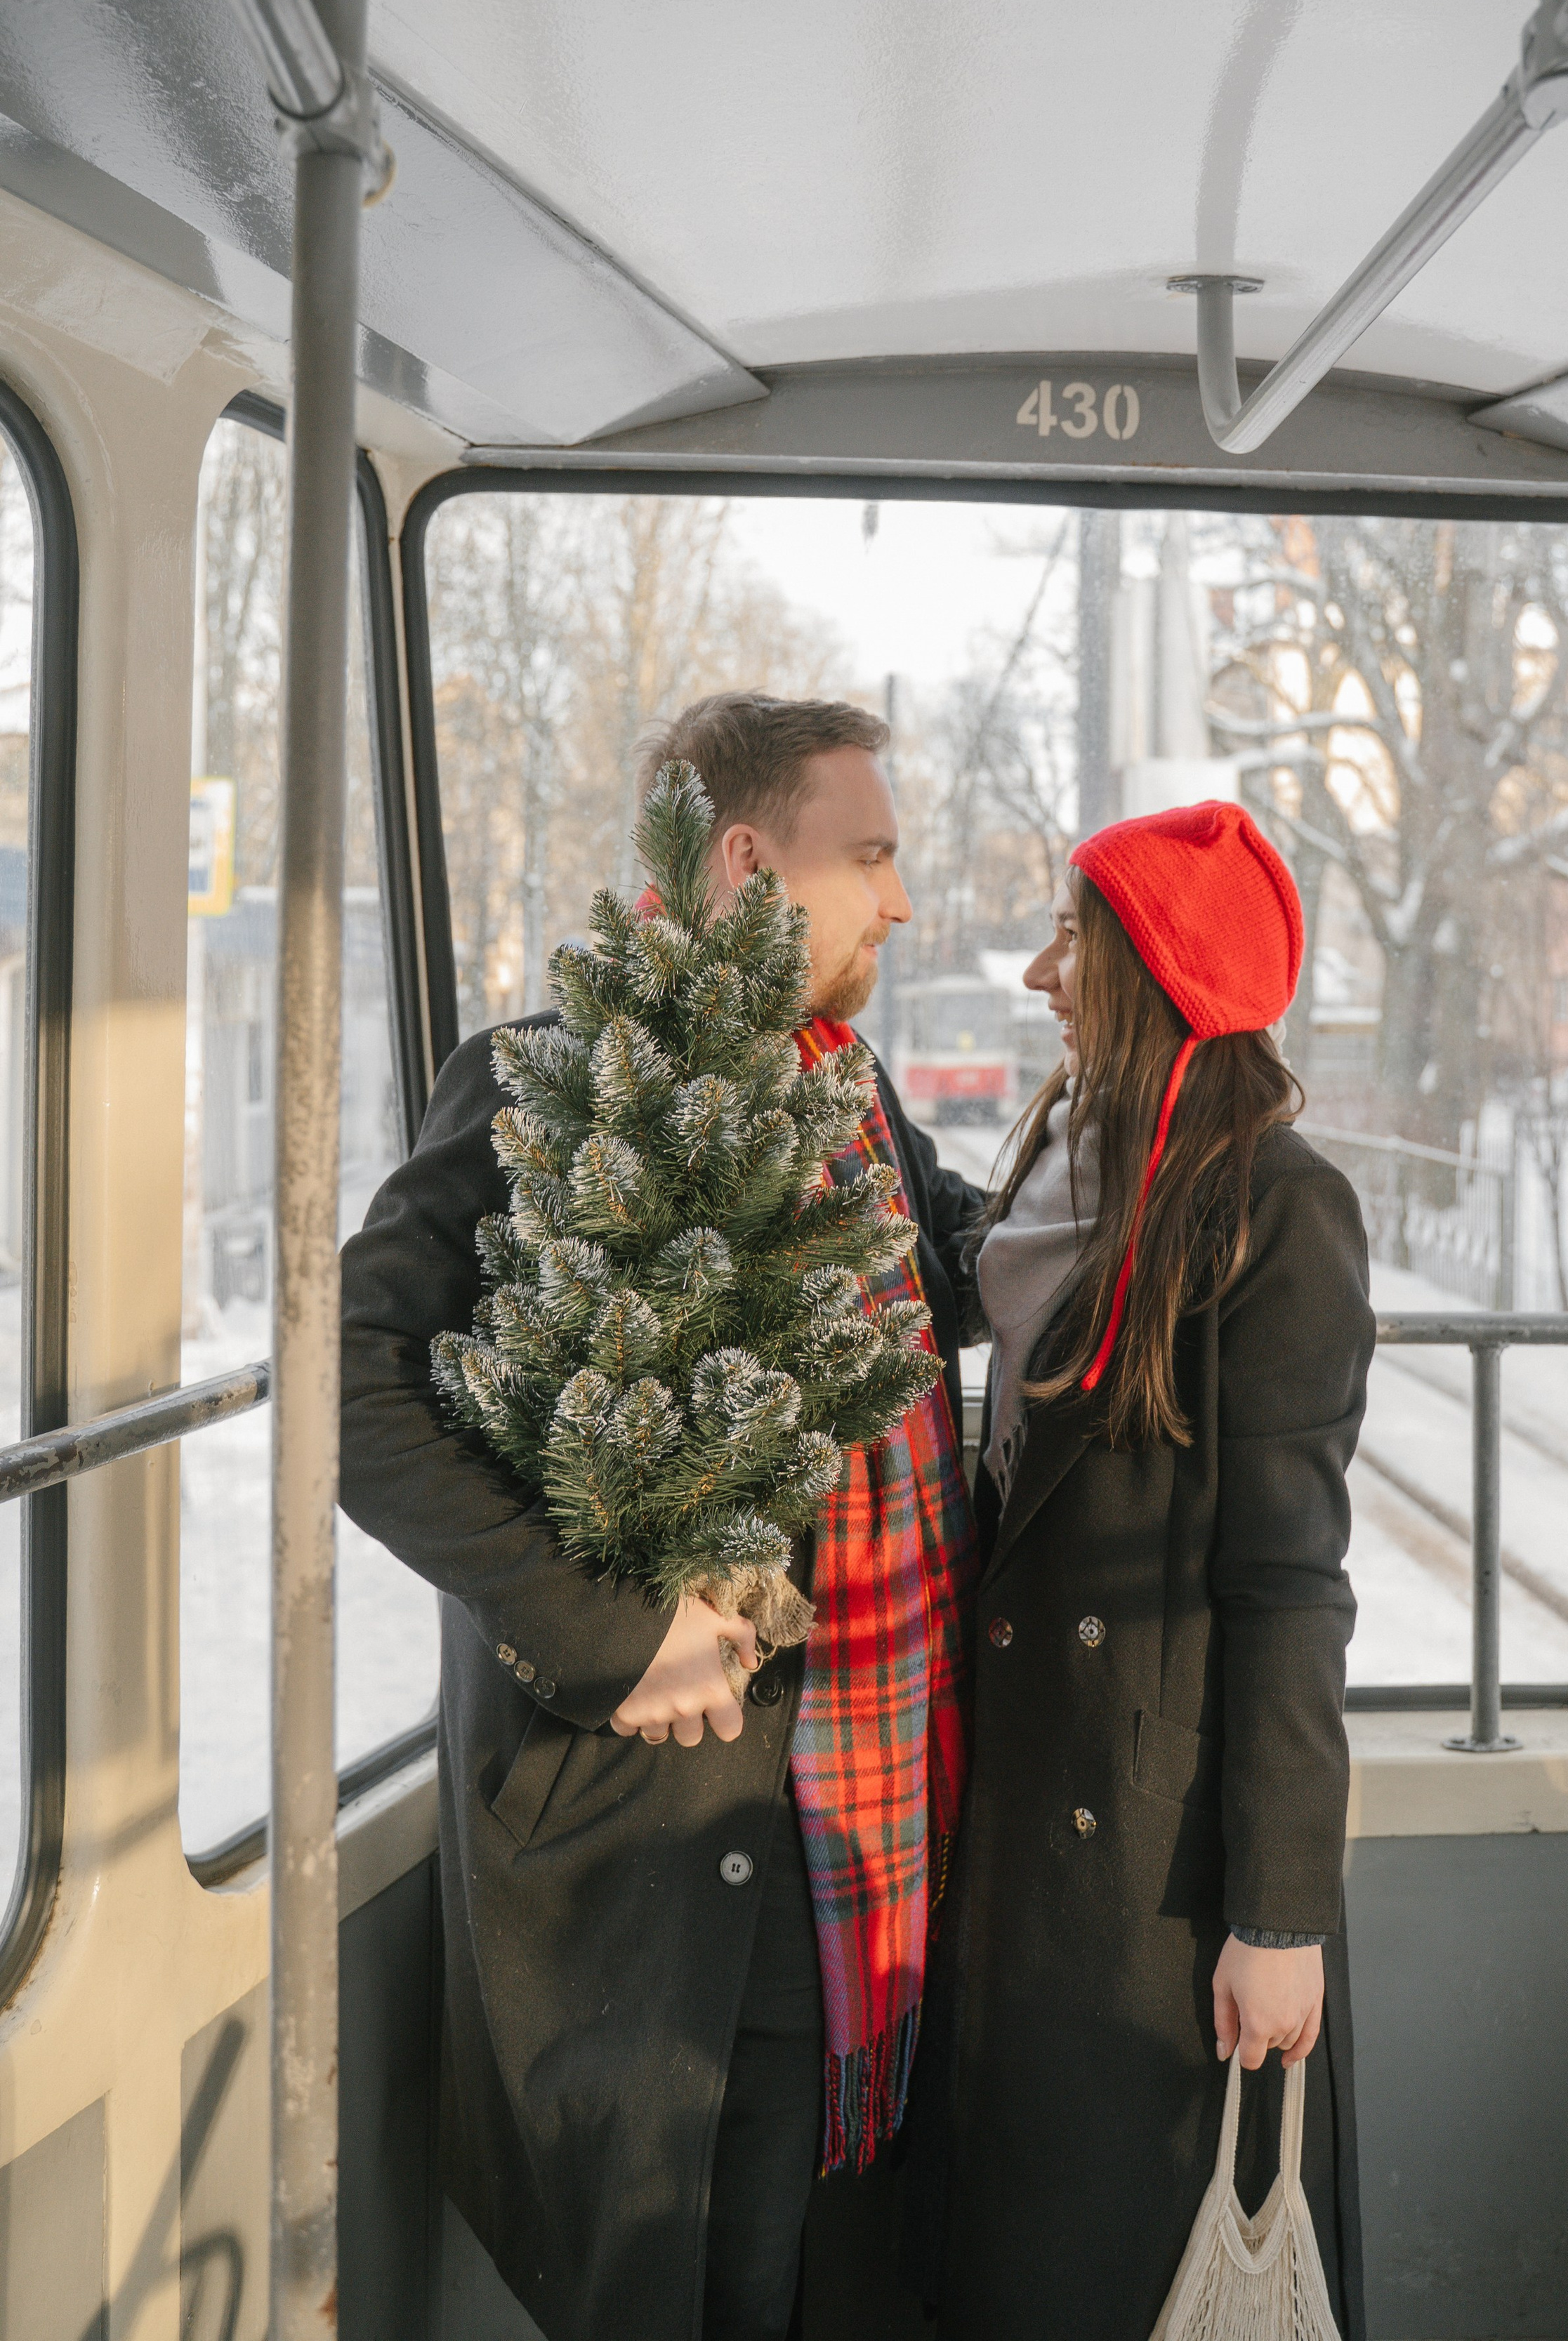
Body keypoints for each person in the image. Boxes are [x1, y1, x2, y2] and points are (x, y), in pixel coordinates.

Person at [338, 693, 983, 2341]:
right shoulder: (541, 1088)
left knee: (802, 2270)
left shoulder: (848, 1090)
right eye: (872, 856)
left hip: (862, 1817)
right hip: (660, 1831)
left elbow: (952, 1263)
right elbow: (350, 1387)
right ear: (748, 860)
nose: (897, 903)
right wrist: (611, 1637)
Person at [929, 800, 1373, 2341]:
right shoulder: (1064, 1148)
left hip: (1153, 1857)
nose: (1043, 971)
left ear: (1144, 970)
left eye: (1074, 939)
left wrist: (1282, 1914)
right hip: (1011, 1776)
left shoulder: (1277, 1207)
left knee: (1118, 2264)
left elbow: (1288, 1583)